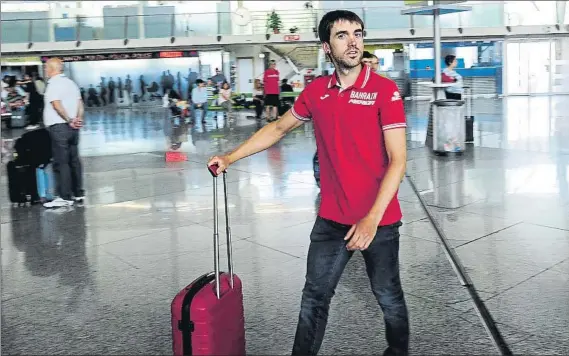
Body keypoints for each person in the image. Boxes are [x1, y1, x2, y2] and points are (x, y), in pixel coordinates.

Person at [208, 9, 409, 356]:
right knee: (314, 297)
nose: (353, 42)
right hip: (332, 218)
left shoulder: (383, 91)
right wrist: (230, 157)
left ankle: (399, 350)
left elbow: (399, 160)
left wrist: (372, 218)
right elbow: (277, 128)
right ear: (327, 46)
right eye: (343, 35)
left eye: (358, 34)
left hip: (380, 220)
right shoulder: (317, 92)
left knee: (388, 296)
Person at [42, 58, 85, 208]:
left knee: (61, 162)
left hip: (60, 127)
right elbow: (80, 103)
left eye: (46, 67)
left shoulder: (53, 84)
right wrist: (78, 119)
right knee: (74, 160)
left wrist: (68, 119)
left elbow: (56, 104)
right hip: (73, 129)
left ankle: (64, 196)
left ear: (52, 68)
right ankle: (78, 193)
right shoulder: (71, 83)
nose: (45, 70)